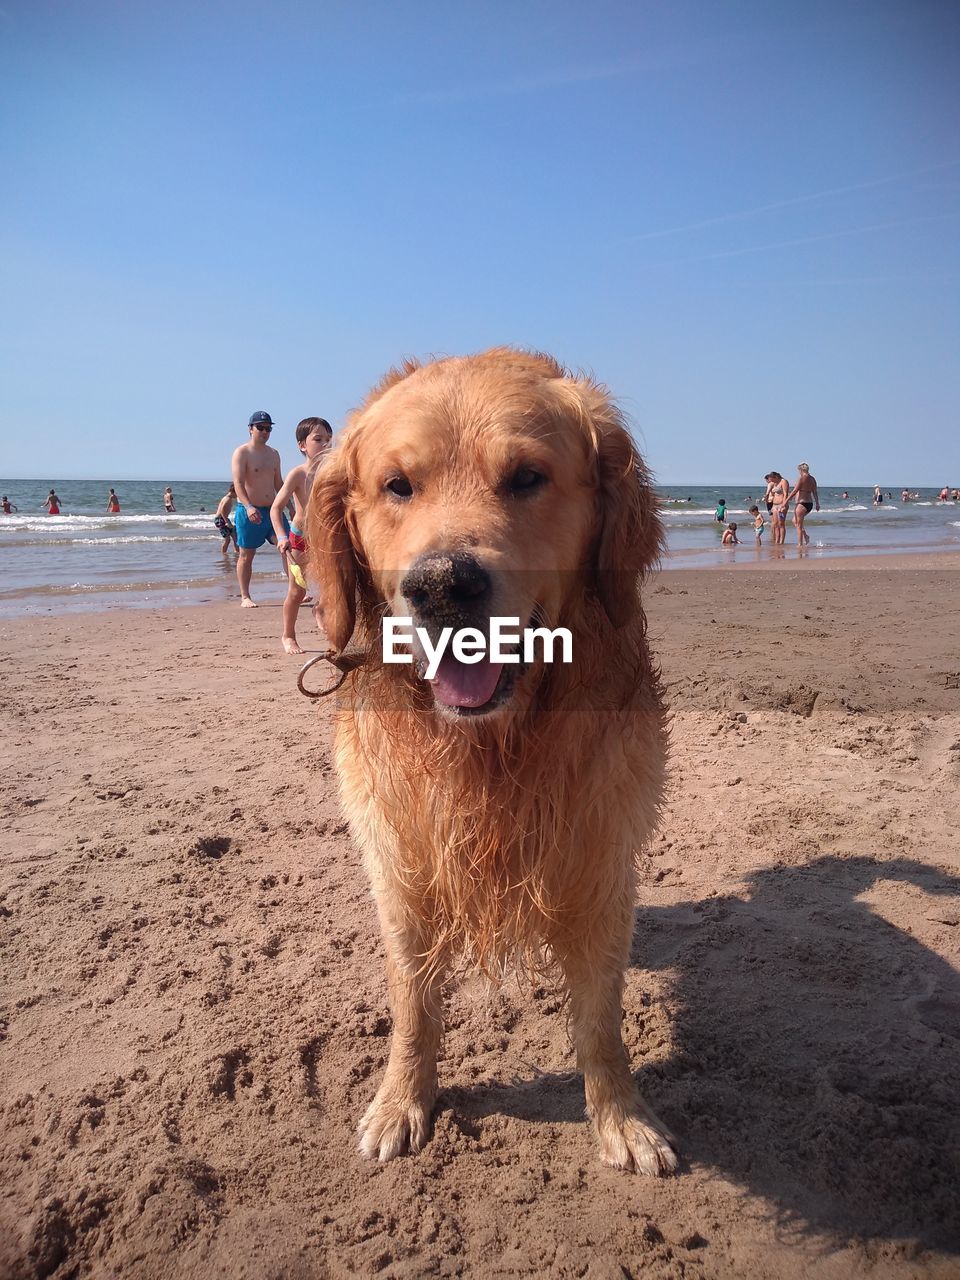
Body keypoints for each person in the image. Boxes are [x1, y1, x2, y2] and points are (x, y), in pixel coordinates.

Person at [271, 417, 333, 654]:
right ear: (302, 445)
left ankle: (321, 613)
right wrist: (281, 537)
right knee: (297, 591)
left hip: (326, 538)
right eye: (318, 439)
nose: (325, 444)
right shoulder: (298, 474)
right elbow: (276, 508)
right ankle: (288, 635)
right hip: (300, 538)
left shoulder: (332, 473)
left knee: (332, 589)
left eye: (329, 439)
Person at [231, 411, 285, 607]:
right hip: (249, 511)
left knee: (288, 548)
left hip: (273, 511)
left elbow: (279, 483)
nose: (264, 431)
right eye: (260, 427)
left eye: (268, 428)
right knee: (247, 554)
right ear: (250, 429)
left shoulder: (274, 454)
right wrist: (248, 506)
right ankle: (245, 596)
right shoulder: (242, 452)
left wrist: (291, 506)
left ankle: (295, 591)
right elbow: (238, 482)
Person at [786, 463, 819, 546]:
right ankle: (805, 536)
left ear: (800, 470)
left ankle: (800, 544)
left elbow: (794, 491)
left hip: (801, 503)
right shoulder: (812, 479)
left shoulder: (801, 478)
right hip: (809, 504)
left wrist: (785, 501)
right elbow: (815, 492)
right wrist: (817, 503)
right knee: (794, 521)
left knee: (799, 525)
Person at [766, 471, 789, 545]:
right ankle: (777, 541)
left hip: (781, 505)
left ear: (776, 477)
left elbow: (785, 494)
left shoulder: (783, 481)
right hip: (774, 505)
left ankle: (781, 542)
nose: (771, 481)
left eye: (772, 479)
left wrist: (784, 505)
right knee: (775, 524)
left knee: (781, 524)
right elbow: (772, 493)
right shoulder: (775, 483)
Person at [214, 483, 238, 552]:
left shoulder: (227, 498)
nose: (237, 496)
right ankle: (223, 554)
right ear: (234, 491)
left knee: (235, 536)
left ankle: (237, 552)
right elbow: (222, 512)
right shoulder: (227, 499)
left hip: (224, 519)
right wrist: (227, 522)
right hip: (220, 520)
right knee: (227, 540)